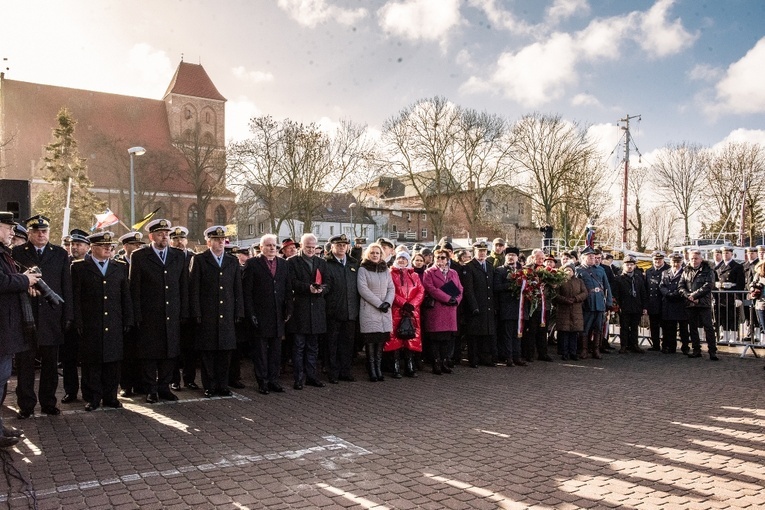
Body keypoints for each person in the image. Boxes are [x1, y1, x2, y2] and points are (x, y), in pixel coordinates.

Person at [13, 214, 73, 418]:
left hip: (51, 316)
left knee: (50, 365)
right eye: (36, 231)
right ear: (29, 233)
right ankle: (26, 405)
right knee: (26, 364)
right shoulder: (17, 253)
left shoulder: (59, 254)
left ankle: (48, 402)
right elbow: (13, 282)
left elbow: (66, 286)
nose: (41, 234)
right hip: (26, 317)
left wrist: (68, 315)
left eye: (44, 231)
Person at [71, 231, 133, 411]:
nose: (108, 249)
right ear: (93, 248)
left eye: (110, 246)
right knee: (92, 363)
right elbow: (76, 298)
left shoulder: (119, 267)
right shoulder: (79, 267)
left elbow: (125, 296)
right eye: (104, 246)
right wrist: (78, 322)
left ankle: (110, 397)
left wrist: (128, 319)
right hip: (91, 323)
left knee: (113, 363)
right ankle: (92, 398)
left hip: (114, 321)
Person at [129, 218, 189, 403]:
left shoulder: (178, 255)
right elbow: (135, 288)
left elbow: (183, 285)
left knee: (170, 352)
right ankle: (151, 389)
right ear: (151, 236)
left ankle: (164, 387)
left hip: (172, 313)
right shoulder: (139, 256)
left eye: (166, 233)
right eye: (160, 233)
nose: (164, 236)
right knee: (150, 354)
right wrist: (137, 315)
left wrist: (184, 312)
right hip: (150, 315)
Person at [189, 226, 244, 398]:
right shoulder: (199, 260)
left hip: (227, 313)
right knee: (209, 352)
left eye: (222, 240)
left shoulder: (231, 261)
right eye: (216, 240)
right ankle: (209, 386)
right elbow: (194, 289)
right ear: (208, 242)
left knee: (225, 352)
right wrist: (196, 312)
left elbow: (237, 289)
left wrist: (238, 311)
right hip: (208, 314)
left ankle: (223, 384)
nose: (220, 242)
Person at [0, 213, 40, 445]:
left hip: (6, 328)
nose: (12, 233)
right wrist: (25, 280)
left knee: (3, 381)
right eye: (7, 228)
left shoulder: (5, 253)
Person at [243, 234, 293, 394]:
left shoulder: (283, 264)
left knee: (276, 351)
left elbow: (287, 288)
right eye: (269, 245)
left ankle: (273, 380)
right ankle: (262, 381)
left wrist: (289, 308)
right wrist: (250, 313)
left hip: (278, 315)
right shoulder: (252, 264)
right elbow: (247, 292)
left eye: (274, 245)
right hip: (260, 314)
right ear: (261, 247)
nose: (272, 248)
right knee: (261, 352)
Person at [287, 233, 330, 389]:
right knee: (299, 347)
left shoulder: (321, 262)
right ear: (301, 246)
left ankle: (312, 377)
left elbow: (328, 283)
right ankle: (298, 378)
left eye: (313, 247)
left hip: (317, 310)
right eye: (308, 247)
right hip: (300, 309)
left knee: (313, 347)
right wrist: (307, 288)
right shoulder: (292, 262)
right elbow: (291, 282)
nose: (311, 250)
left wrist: (322, 290)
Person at [323, 234, 359, 384]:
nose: (342, 247)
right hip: (333, 311)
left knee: (347, 344)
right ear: (332, 247)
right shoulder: (326, 263)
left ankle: (345, 371)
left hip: (350, 311)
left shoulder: (353, 263)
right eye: (338, 245)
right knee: (332, 344)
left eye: (344, 245)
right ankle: (333, 372)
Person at [60, 228, 91, 405]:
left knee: (87, 358)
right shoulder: (65, 262)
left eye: (78, 244)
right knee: (68, 359)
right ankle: (70, 391)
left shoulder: (92, 264)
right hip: (69, 319)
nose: (74, 248)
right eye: (72, 244)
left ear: (87, 247)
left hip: (87, 320)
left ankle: (88, 392)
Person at [422, 248, 463, 374]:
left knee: (447, 339)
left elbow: (460, 288)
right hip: (437, 309)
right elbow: (430, 288)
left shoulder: (453, 273)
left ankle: (445, 362)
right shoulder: (429, 272)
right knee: (436, 339)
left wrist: (456, 300)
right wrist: (447, 298)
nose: (440, 260)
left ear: (448, 259)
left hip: (450, 310)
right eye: (437, 257)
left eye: (443, 257)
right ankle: (436, 363)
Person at [357, 243, 395, 381]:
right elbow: (363, 289)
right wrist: (379, 304)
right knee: (370, 342)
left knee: (380, 342)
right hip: (370, 309)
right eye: (372, 252)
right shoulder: (363, 269)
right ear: (368, 254)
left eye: (377, 253)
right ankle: (372, 370)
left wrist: (388, 302)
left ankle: (379, 369)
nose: (375, 255)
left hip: (384, 310)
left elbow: (391, 288)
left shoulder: (385, 270)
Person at [170, 226, 200, 392]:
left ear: (186, 240)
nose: (178, 242)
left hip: (190, 310)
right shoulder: (169, 258)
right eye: (175, 239)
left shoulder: (194, 257)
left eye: (181, 239)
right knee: (174, 347)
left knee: (190, 348)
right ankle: (174, 380)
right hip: (174, 310)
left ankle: (189, 379)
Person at [116, 231, 146, 397]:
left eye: (139, 245)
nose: (137, 248)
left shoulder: (142, 261)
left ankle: (140, 383)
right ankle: (126, 385)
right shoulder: (118, 264)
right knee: (126, 352)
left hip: (140, 312)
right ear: (126, 246)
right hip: (124, 314)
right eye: (134, 245)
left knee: (140, 351)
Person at [386, 251, 424, 378]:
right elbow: (390, 291)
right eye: (399, 258)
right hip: (397, 310)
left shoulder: (415, 275)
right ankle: (395, 366)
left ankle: (410, 365)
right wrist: (403, 303)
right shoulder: (390, 274)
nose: (402, 260)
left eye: (404, 258)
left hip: (412, 311)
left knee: (411, 337)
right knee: (395, 338)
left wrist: (412, 304)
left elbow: (421, 291)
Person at [461, 241, 497, 367]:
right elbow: (468, 290)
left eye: (484, 251)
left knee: (486, 334)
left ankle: (485, 358)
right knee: (474, 335)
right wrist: (474, 306)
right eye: (479, 251)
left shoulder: (489, 265)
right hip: (476, 306)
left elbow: (491, 287)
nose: (482, 253)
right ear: (474, 252)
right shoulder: (469, 267)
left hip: (487, 305)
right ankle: (474, 359)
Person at [678, 250, 718, 361]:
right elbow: (681, 286)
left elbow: (708, 285)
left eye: (696, 258)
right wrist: (688, 296)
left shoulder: (708, 270)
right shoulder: (686, 270)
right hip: (690, 303)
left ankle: (712, 351)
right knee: (693, 328)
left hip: (703, 303)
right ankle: (696, 349)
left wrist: (695, 296)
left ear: (701, 259)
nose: (694, 261)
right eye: (691, 259)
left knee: (708, 327)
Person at [575, 246, 612, 360]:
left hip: (600, 302)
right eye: (589, 256)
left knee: (598, 328)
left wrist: (609, 301)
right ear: (583, 258)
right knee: (585, 328)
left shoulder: (600, 270)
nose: (592, 258)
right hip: (587, 303)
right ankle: (584, 350)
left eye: (593, 256)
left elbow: (607, 286)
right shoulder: (578, 270)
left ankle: (596, 350)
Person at [493, 247, 527, 367]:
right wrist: (513, 284)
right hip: (506, 307)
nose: (511, 257)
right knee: (507, 334)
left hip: (520, 308)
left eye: (513, 255)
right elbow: (496, 287)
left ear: (517, 257)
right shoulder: (500, 271)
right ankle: (508, 357)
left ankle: (517, 356)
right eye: (509, 255)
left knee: (518, 333)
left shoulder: (523, 271)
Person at [612, 255, 647, 354]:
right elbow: (616, 294)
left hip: (636, 306)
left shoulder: (638, 278)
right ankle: (623, 345)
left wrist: (644, 306)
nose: (629, 266)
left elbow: (643, 293)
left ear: (635, 266)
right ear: (623, 266)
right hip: (624, 306)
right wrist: (618, 306)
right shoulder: (618, 279)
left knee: (635, 327)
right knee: (624, 327)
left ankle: (634, 345)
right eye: (627, 264)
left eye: (631, 264)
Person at [555, 265, 588, 360]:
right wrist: (565, 300)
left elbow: (585, 293)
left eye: (570, 270)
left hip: (576, 309)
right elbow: (555, 294)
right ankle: (564, 353)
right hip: (563, 309)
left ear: (573, 272)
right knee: (564, 333)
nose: (568, 272)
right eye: (566, 270)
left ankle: (573, 352)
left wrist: (576, 298)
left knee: (574, 333)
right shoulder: (560, 281)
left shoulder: (579, 281)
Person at [659, 253, 690, 354]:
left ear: (681, 262)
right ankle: (671, 347)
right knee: (669, 327)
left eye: (678, 262)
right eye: (673, 261)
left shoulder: (685, 272)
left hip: (680, 302)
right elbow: (662, 285)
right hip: (668, 302)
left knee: (683, 328)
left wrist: (676, 294)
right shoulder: (665, 272)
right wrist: (667, 293)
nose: (675, 264)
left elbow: (686, 286)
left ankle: (685, 347)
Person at [715, 246, 745, 344]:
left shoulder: (737, 266)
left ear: (732, 254)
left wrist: (738, 297)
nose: (725, 255)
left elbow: (740, 284)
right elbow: (715, 280)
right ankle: (726, 336)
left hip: (732, 294)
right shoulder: (719, 267)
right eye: (723, 253)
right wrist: (716, 284)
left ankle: (733, 336)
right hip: (722, 295)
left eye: (727, 253)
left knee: (733, 316)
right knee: (723, 316)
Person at [645, 251, 669, 351]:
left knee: (665, 326)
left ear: (663, 259)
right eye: (655, 259)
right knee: (654, 325)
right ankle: (655, 345)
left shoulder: (668, 270)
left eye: (659, 259)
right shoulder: (648, 271)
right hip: (653, 302)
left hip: (664, 302)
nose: (657, 261)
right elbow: (646, 287)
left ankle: (665, 345)